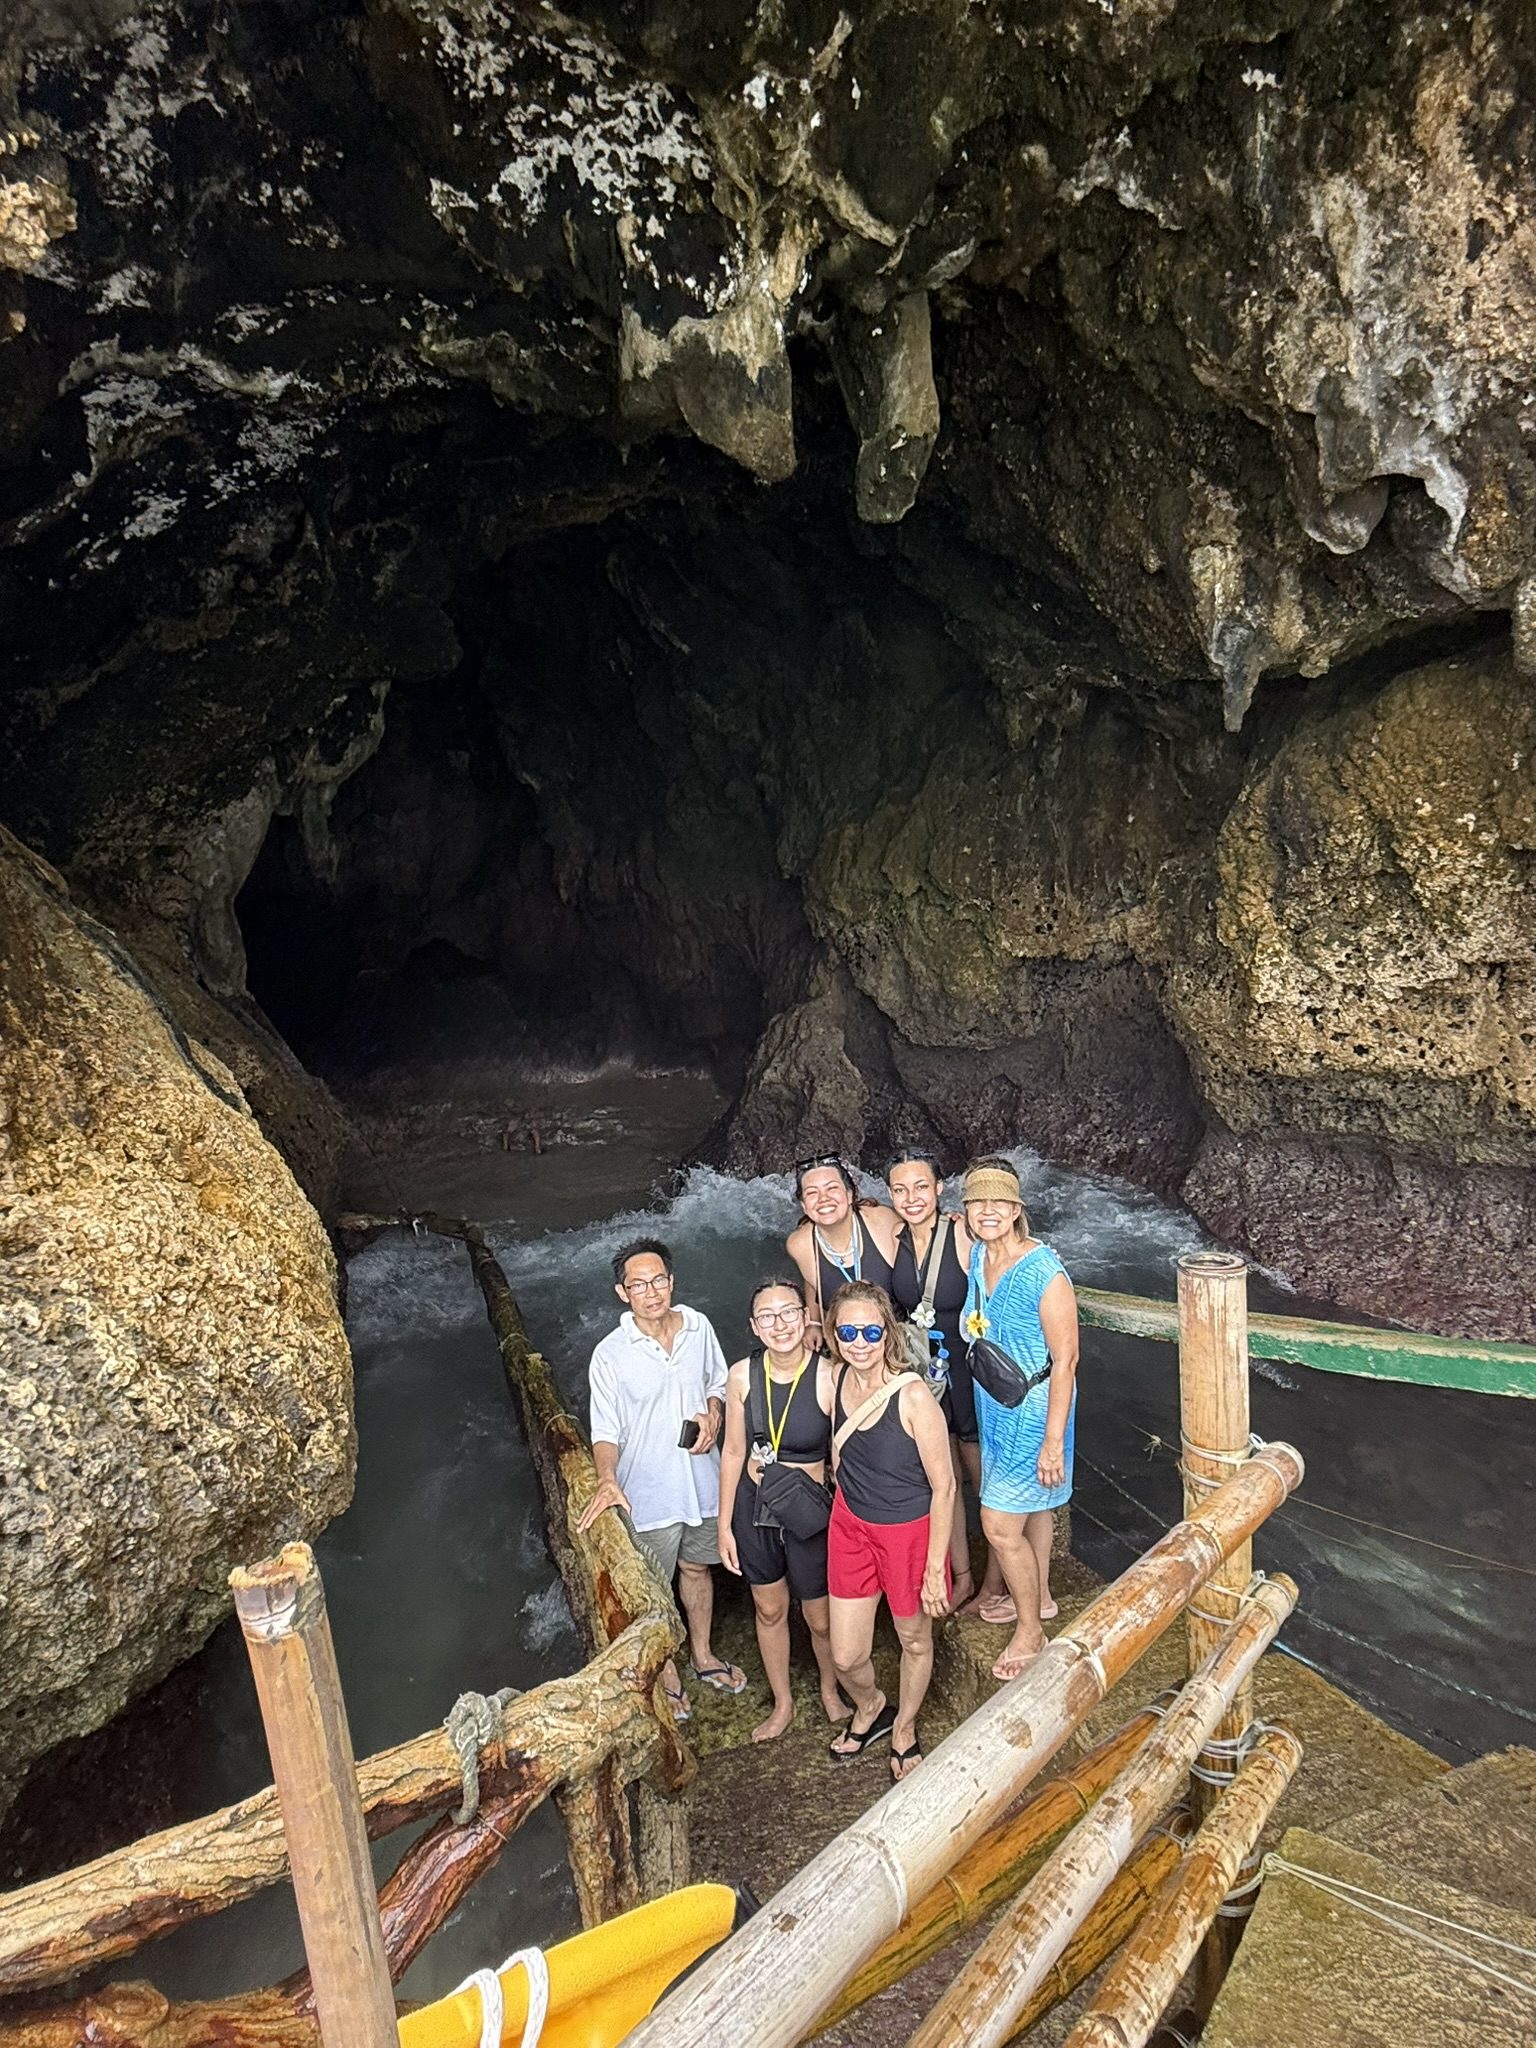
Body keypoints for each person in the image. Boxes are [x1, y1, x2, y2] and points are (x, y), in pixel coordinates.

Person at [578, 1237, 746, 1721]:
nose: (651, 1292)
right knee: (654, 1589)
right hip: (647, 1493)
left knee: (697, 1569)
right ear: (621, 1292)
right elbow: (605, 1430)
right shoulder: (609, 1354)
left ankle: (703, 1654)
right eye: (638, 1285)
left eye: (658, 1281)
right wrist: (608, 1480)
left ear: (672, 1282)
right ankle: (667, 1673)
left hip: (703, 1482)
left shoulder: (698, 1325)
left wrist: (713, 1415)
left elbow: (718, 1382)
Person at [824, 1282, 955, 1782]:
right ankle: (872, 1703)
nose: (860, 1341)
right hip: (851, 1525)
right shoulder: (834, 1379)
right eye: (848, 1331)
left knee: (914, 1639)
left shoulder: (915, 1396)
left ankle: (903, 1726)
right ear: (835, 1335)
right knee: (846, 1655)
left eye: (871, 1331)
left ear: (889, 1335)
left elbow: (944, 1487)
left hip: (908, 1533)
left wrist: (936, 1570)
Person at [960, 1157, 1080, 1683]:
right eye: (976, 1203)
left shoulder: (1044, 1271)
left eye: (998, 1204)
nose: (987, 1212)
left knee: (998, 1525)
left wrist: (1053, 1441)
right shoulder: (976, 1259)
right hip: (994, 1403)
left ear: (1015, 1211)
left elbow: (1067, 1359)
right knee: (1033, 1511)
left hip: (1034, 1410)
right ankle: (1044, 1598)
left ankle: (1031, 1631)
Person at [716, 1278, 845, 1743]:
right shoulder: (740, 1375)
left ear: (805, 1316)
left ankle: (831, 1689)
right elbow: (732, 1451)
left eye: (789, 1312)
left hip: (809, 1510)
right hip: (754, 1505)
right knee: (768, 1608)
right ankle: (783, 1702)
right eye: (767, 1317)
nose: (780, 1325)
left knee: (820, 1614)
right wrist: (724, 1526)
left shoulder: (829, 1375)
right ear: (754, 1326)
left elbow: (842, 1458)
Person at [885, 1147, 985, 1610]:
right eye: (900, 1190)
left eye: (921, 1186)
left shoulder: (963, 1231)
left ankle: (997, 1582)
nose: (912, 1197)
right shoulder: (894, 1236)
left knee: (982, 1477)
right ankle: (962, 1576)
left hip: (968, 1373)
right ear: (888, 1195)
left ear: (941, 1188)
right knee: (943, 1479)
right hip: (926, 1376)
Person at [786, 1155, 899, 1330]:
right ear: (804, 1206)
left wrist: (953, 1224)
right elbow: (812, 1281)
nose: (823, 1198)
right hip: (847, 1343)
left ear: (849, 1194)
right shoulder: (799, 1244)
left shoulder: (883, 1221)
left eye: (831, 1188)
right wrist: (814, 1323)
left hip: (897, 1335)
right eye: (812, 1193)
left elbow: (922, 1241)